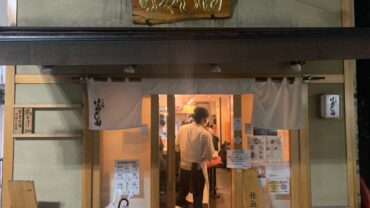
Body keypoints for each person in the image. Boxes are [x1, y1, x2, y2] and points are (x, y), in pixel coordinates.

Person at [175, 107, 218, 208]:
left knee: (182, 193)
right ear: (203, 119)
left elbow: (176, 147)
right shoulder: (205, 134)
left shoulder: (182, 129)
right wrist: (215, 154)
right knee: (197, 196)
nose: (207, 121)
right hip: (198, 169)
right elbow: (209, 156)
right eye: (207, 119)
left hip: (184, 167)